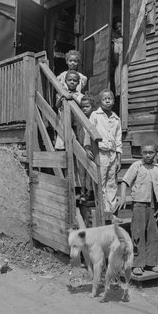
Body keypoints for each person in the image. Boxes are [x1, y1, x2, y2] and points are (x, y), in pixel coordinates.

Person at [117, 143, 158, 276]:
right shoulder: (136, 166)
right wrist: (123, 196)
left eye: (151, 152)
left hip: (153, 206)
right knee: (138, 234)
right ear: (141, 153)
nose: (148, 155)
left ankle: (152, 263)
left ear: (156, 153)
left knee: (153, 236)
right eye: (145, 152)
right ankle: (138, 264)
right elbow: (124, 182)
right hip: (139, 205)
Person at [84, 89, 122, 222]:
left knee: (112, 182)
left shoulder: (116, 118)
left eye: (109, 98)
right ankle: (104, 211)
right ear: (100, 101)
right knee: (101, 181)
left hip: (112, 154)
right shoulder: (95, 115)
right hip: (100, 152)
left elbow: (118, 139)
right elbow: (88, 131)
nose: (107, 100)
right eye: (104, 99)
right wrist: (87, 146)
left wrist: (118, 157)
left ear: (113, 101)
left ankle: (111, 211)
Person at [55, 70, 83, 150]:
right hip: (65, 122)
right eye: (69, 80)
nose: (72, 82)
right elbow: (57, 105)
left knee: (75, 142)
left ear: (78, 83)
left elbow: (81, 105)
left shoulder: (80, 96)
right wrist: (62, 98)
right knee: (63, 140)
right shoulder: (61, 93)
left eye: (75, 80)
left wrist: (73, 98)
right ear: (65, 81)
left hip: (76, 123)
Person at [77, 94, 94, 202]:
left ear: (92, 107)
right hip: (81, 148)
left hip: (91, 149)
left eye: (87, 106)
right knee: (81, 172)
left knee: (90, 172)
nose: (84, 109)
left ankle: (89, 192)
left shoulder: (94, 118)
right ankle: (82, 191)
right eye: (82, 107)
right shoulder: (80, 119)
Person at [111, 16, 122, 115]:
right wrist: (115, 46)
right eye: (117, 28)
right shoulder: (118, 42)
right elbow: (115, 62)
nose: (119, 29)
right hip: (120, 70)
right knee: (120, 95)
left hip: (128, 68)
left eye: (120, 26)